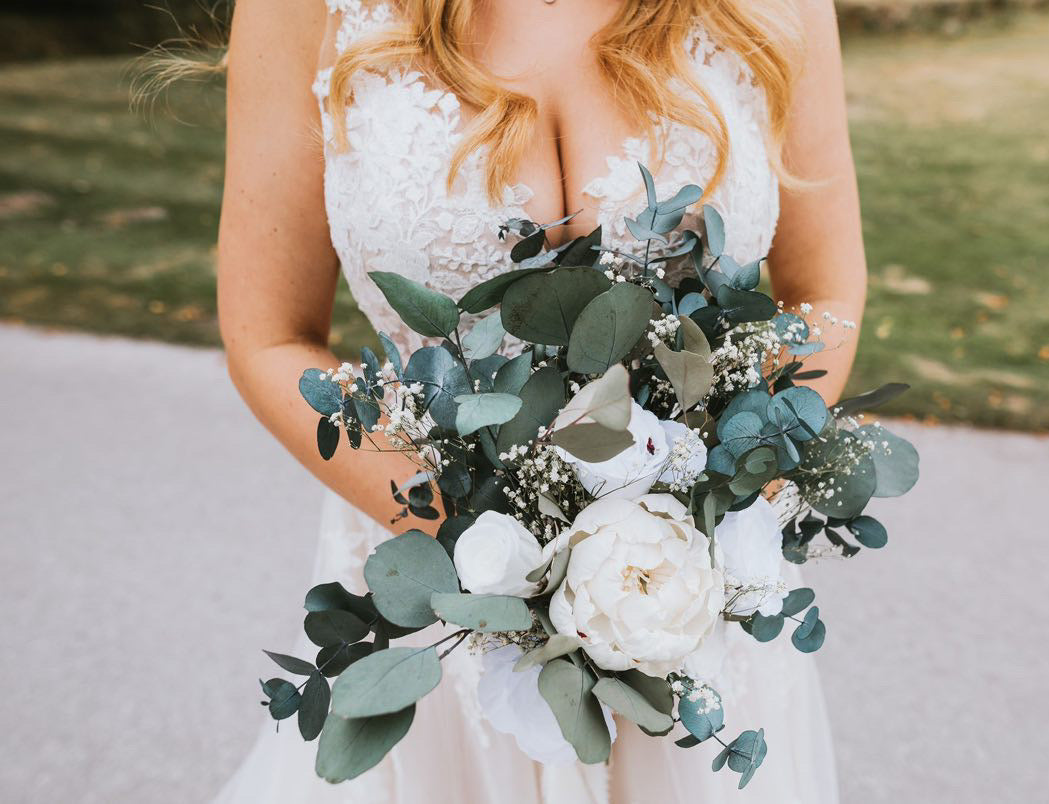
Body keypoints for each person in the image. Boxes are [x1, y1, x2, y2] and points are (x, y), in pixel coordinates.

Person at [215, 1, 865, 800]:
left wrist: (707, 514)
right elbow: (267, 334)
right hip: (431, 605)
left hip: (682, 608)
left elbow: (824, 295)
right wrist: (496, 564)